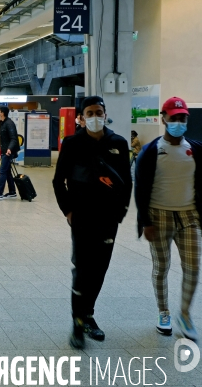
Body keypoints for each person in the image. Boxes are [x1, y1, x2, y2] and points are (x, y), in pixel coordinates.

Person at [52, 96, 132, 349]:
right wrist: (68, 211)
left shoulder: (118, 143)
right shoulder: (72, 143)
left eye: (99, 112)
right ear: (82, 117)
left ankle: (88, 316)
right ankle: (77, 322)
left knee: (99, 270)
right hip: (82, 217)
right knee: (83, 269)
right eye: (90, 112)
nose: (95, 116)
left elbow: (127, 182)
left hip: (108, 219)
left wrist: (120, 213)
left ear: (105, 114)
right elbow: (58, 180)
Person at [135, 97, 201, 342]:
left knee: (193, 268)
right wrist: (145, 222)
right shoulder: (151, 151)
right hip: (159, 215)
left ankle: (185, 314)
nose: (178, 122)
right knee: (161, 268)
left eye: (182, 118)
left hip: (189, 216)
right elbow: (140, 188)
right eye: (173, 118)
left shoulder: (195, 149)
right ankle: (163, 312)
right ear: (163, 118)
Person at [0, 107, 20, 200]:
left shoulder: (9, 123)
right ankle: (12, 192)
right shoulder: (3, 123)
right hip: (5, 151)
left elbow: (14, 138)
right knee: (7, 171)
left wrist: (9, 149)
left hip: (8, 152)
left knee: (2, 171)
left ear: (2, 113)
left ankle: (0, 193)